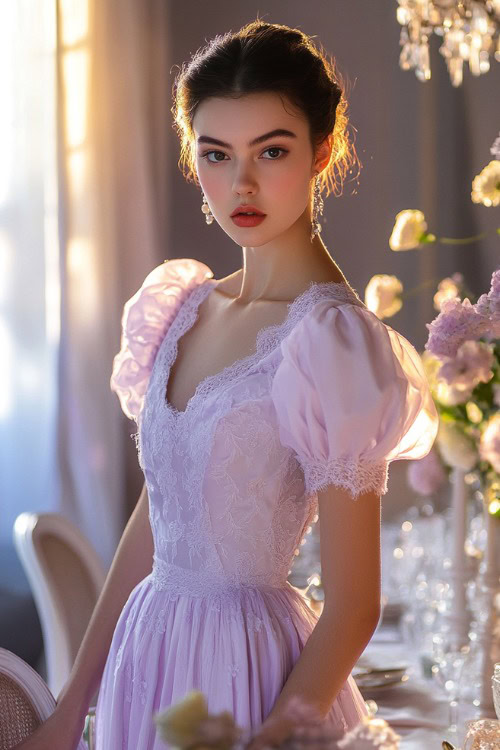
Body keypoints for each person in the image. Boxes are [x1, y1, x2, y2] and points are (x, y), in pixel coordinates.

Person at [14, 19, 439, 750]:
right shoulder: (184, 307)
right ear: (194, 160)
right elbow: (158, 518)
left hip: (251, 674)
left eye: (271, 151)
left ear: (322, 153)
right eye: (217, 154)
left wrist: (273, 737)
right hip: (147, 657)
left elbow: (355, 608)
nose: (240, 184)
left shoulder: (333, 343)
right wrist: (67, 709)